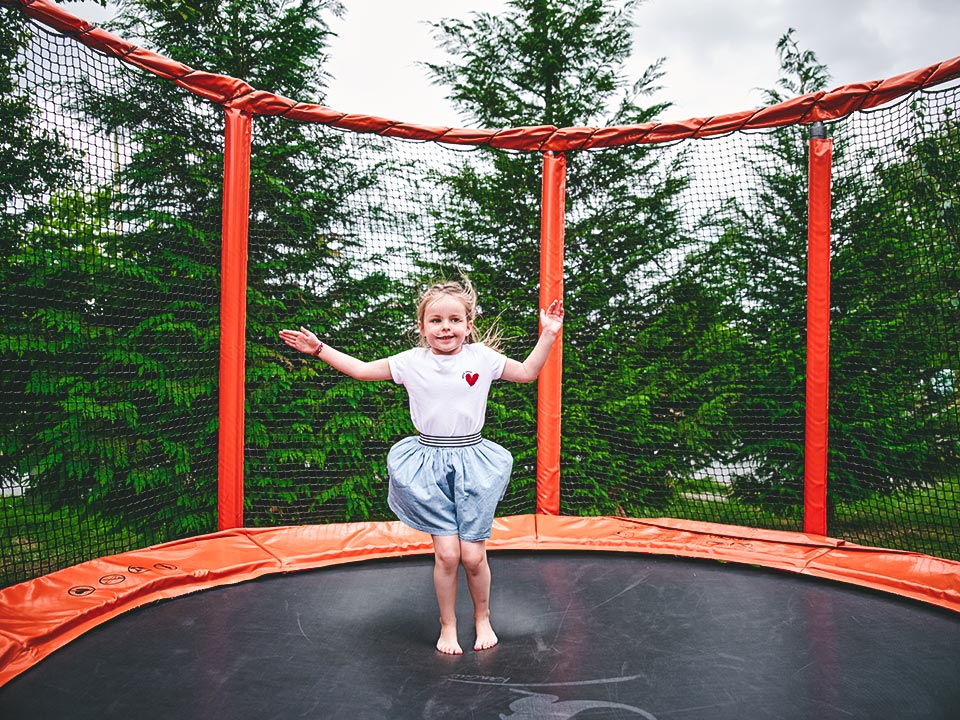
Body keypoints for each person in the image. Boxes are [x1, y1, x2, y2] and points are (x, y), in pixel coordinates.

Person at [279, 278, 564, 655]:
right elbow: (362, 370)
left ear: (468, 324)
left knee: (473, 556)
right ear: (422, 327)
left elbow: (527, 373)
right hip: (428, 461)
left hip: (473, 460)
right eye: (436, 321)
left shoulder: (482, 359)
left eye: (454, 320)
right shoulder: (411, 362)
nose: (445, 327)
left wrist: (549, 333)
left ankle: (482, 618)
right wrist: (319, 349)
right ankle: (448, 626)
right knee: (447, 554)